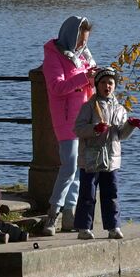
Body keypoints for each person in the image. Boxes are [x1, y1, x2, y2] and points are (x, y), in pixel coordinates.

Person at [38, 14, 96, 236]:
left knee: (80, 169)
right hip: (65, 120)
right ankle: (52, 214)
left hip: (84, 119)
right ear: (71, 37)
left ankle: (70, 215)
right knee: (69, 167)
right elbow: (56, 87)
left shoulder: (84, 57)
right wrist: (84, 79)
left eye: (86, 41)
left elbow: (89, 80)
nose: (83, 45)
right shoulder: (54, 56)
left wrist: (96, 78)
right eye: (80, 41)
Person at [71, 66, 140, 239]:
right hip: (90, 158)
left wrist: (130, 126)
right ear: (97, 84)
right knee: (87, 194)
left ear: (115, 86)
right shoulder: (88, 106)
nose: (107, 86)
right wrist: (95, 129)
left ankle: (113, 227)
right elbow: (78, 129)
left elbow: (121, 135)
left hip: (111, 159)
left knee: (111, 193)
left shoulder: (120, 109)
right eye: (103, 82)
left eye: (110, 83)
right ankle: (84, 228)